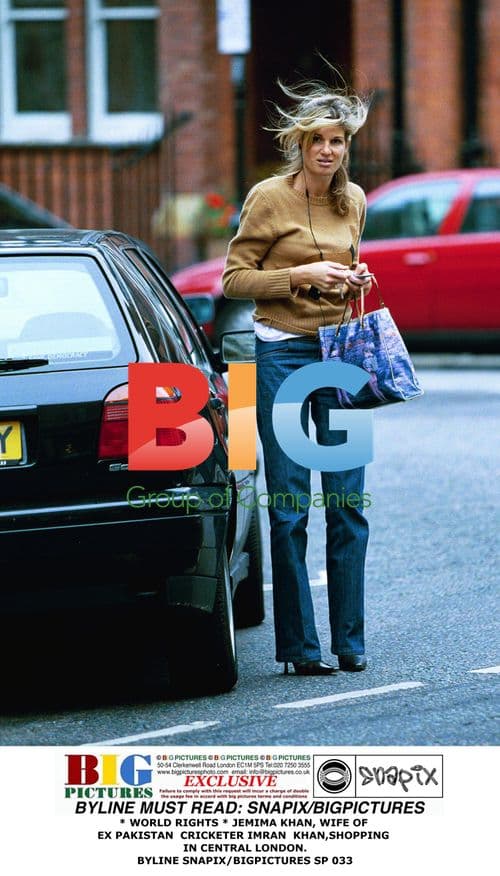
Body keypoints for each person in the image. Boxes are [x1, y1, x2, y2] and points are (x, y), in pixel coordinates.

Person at [222, 70, 373, 676]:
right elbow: (234, 279)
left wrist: (354, 279)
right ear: (300, 144)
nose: (328, 150)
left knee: (349, 504)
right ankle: (299, 649)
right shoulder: (267, 198)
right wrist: (301, 277)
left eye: (337, 140)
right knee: (288, 507)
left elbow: (348, 266)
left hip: (337, 358)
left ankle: (350, 641)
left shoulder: (354, 200)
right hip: (282, 355)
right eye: (318, 140)